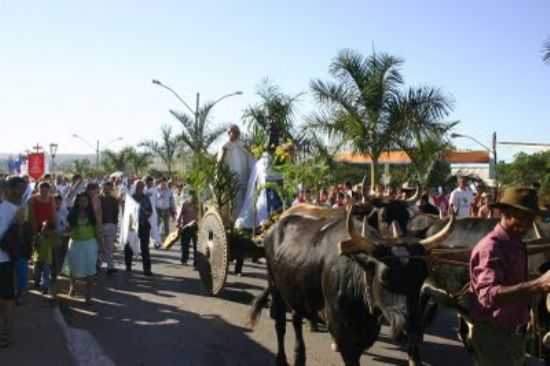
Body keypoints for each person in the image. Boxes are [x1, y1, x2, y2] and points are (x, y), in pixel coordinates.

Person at [468, 186, 550, 366]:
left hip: (513, 333)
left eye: (531, 218)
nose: (529, 224)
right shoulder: (490, 248)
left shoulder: (516, 243)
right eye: (524, 217)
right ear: (505, 213)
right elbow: (487, 295)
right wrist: (537, 284)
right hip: (494, 336)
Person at [0, 176, 27, 348]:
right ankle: (6, 334)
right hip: (5, 261)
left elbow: (20, 237)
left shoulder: (15, 210)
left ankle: (7, 334)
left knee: (6, 300)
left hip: (5, 261)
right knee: (6, 299)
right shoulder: (16, 210)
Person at [64, 193, 98, 304]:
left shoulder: (92, 214)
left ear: (88, 202)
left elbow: (98, 229)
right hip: (75, 244)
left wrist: (101, 245)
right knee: (73, 268)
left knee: (90, 271)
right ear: (77, 202)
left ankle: (88, 297)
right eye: (81, 200)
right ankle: (72, 286)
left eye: (85, 200)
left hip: (90, 245)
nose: (83, 203)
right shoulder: (72, 213)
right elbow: (67, 229)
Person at [217, 124, 255, 219]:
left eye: (236, 132)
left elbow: (253, 158)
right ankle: (235, 222)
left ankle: (244, 222)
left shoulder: (243, 146)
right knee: (234, 203)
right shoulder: (225, 147)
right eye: (232, 132)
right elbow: (219, 163)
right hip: (232, 182)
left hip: (244, 179)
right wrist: (223, 153)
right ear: (228, 133)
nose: (234, 134)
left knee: (245, 200)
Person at [124, 180, 153, 276]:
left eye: (141, 187)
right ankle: (128, 266)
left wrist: (146, 213)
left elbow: (150, 211)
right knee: (129, 247)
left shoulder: (146, 198)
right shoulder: (130, 198)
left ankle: (147, 269)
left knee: (145, 248)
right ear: (134, 187)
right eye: (137, 187)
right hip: (132, 226)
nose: (139, 189)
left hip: (144, 225)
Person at [100, 181, 119, 275]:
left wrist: (115, 226)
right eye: (105, 188)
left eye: (108, 188)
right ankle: (106, 266)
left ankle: (109, 266)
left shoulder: (113, 200)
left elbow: (116, 214)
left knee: (108, 247)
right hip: (102, 225)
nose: (106, 190)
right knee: (104, 247)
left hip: (110, 224)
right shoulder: (99, 199)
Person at [176, 192, 197, 266]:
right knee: (185, 245)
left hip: (196, 227)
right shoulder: (184, 203)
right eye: (192, 197)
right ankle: (184, 260)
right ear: (189, 197)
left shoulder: (197, 205)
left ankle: (196, 262)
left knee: (196, 246)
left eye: (195, 198)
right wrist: (178, 225)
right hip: (186, 227)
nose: (193, 199)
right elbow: (179, 215)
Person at [154, 177, 176, 244]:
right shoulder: (156, 189)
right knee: (157, 225)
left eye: (165, 182)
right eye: (163, 182)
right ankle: (156, 240)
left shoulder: (169, 190)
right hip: (158, 209)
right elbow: (154, 199)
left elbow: (172, 201)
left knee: (166, 225)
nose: (164, 184)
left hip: (166, 209)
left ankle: (167, 241)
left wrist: (173, 210)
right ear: (160, 182)